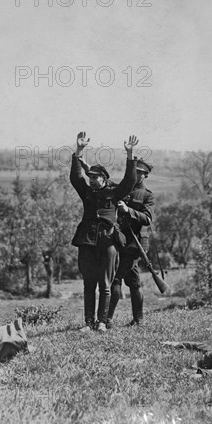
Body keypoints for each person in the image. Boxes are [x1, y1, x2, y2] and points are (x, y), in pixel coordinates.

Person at [70, 132, 138, 332]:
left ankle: (102, 322)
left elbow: (130, 181)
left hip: (108, 241)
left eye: (95, 177)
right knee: (88, 284)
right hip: (87, 241)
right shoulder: (87, 193)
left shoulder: (114, 192)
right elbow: (75, 177)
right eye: (90, 177)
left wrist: (130, 154)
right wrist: (79, 150)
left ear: (104, 179)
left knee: (106, 284)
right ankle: (88, 323)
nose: (91, 180)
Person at [106, 158, 154, 328]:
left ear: (145, 175)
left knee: (117, 279)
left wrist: (128, 210)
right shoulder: (125, 189)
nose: (136, 175)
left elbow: (147, 219)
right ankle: (138, 320)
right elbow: (106, 181)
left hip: (137, 243)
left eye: (139, 173)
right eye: (134, 172)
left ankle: (108, 320)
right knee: (133, 281)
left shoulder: (147, 195)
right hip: (123, 240)